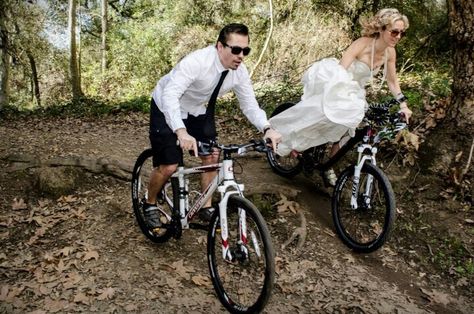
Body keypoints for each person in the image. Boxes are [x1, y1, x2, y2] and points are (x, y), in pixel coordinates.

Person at [144, 23, 282, 227]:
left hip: (198, 109)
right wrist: (181, 131)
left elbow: (249, 104)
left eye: (246, 50)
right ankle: (150, 202)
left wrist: (267, 128)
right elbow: (170, 94)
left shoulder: (239, 71)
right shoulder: (197, 62)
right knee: (169, 166)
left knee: (212, 156)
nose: (241, 55)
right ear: (219, 46)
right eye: (236, 49)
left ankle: (205, 207)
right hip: (167, 106)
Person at [269, 8, 413, 186]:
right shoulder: (362, 43)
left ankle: (329, 164)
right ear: (382, 29)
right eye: (394, 32)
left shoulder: (390, 53)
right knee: (320, 118)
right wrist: (341, 94)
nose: (398, 36)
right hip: (338, 82)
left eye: (402, 33)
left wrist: (403, 105)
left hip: (355, 91)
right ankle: (287, 140)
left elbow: (392, 81)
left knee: (348, 128)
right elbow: (341, 69)